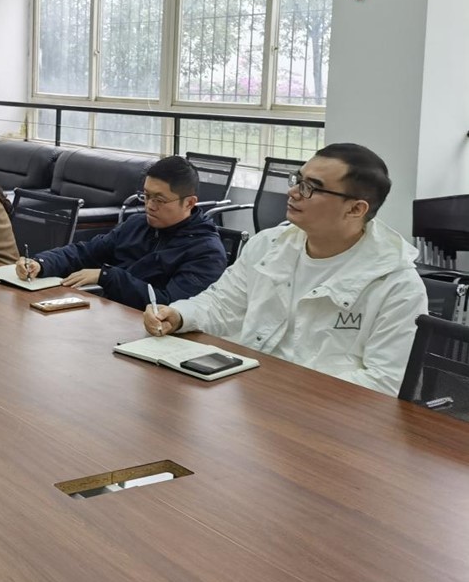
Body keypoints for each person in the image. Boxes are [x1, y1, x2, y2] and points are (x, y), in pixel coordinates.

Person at [143, 144, 426, 396]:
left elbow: (385, 382)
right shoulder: (269, 245)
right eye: (298, 180)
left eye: (310, 187)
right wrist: (179, 315)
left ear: (355, 209)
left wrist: (286, 391)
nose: (293, 192)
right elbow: (221, 305)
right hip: (254, 397)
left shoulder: (396, 286)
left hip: (328, 419)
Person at [15, 156, 226, 309]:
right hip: (107, 313)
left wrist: (106, 276)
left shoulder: (206, 252)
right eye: (146, 196)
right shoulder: (137, 224)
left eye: (159, 200)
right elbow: (85, 252)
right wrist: (41, 263)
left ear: (189, 203)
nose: (149, 206)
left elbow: (168, 305)